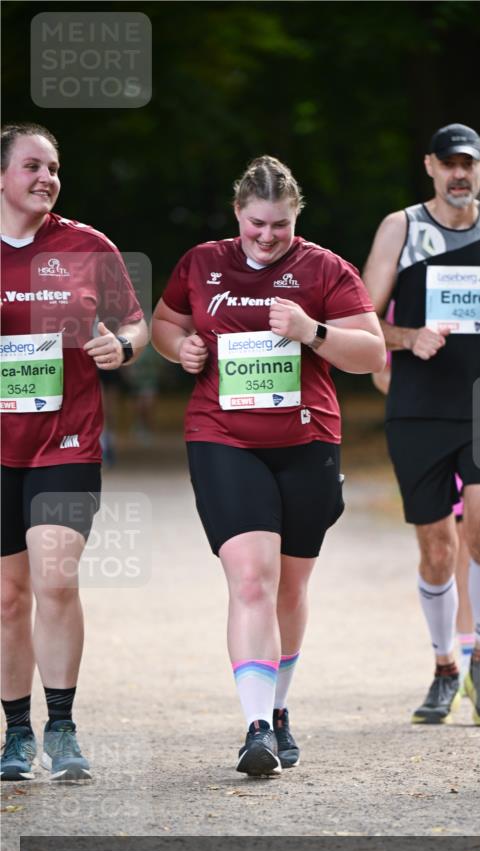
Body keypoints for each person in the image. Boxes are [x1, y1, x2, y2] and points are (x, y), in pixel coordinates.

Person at [152, 155, 384, 776]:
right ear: (237, 214)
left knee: (289, 584)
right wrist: (182, 347)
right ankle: (255, 726)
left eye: (279, 226)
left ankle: (279, 710)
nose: (266, 237)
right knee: (251, 577)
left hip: (307, 440)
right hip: (222, 435)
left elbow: (371, 352)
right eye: (256, 224)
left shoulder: (325, 269)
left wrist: (313, 331)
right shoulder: (202, 262)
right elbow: (166, 322)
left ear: (295, 218)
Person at [363, 123, 480, 726]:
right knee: (437, 550)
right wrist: (408, 336)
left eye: (469, 164)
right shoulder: (401, 227)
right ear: (430, 167)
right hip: (418, 405)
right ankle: (443, 666)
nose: (459, 174)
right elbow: (360, 316)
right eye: (448, 164)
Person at [1, 123, 148, 781]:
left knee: (55, 577)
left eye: (54, 167)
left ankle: (61, 727)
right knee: (7, 596)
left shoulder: (87, 246)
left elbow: (135, 323)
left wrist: (124, 346)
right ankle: (14, 735)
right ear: (2, 176)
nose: (46, 178)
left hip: (67, 436)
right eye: (32, 165)